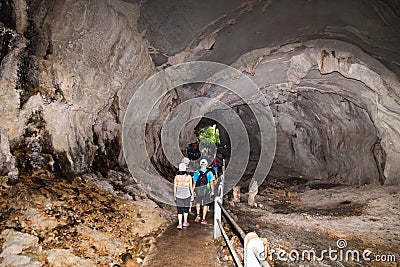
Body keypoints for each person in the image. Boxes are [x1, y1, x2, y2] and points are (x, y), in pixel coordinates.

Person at [193, 159, 215, 225]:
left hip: (198, 190)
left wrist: (193, 191)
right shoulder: (209, 173)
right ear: (207, 165)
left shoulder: (196, 172)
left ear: (200, 164)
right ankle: (203, 219)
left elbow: (194, 183)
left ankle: (198, 215)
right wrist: (212, 191)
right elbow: (211, 183)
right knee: (206, 204)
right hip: (206, 191)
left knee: (198, 202)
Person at [174, 162, 194, 229]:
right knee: (186, 209)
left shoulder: (176, 177)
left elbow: (175, 187)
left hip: (178, 195)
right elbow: (190, 187)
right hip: (187, 195)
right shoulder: (189, 177)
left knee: (179, 210)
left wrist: (174, 195)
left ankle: (180, 224)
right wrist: (192, 195)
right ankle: (185, 222)